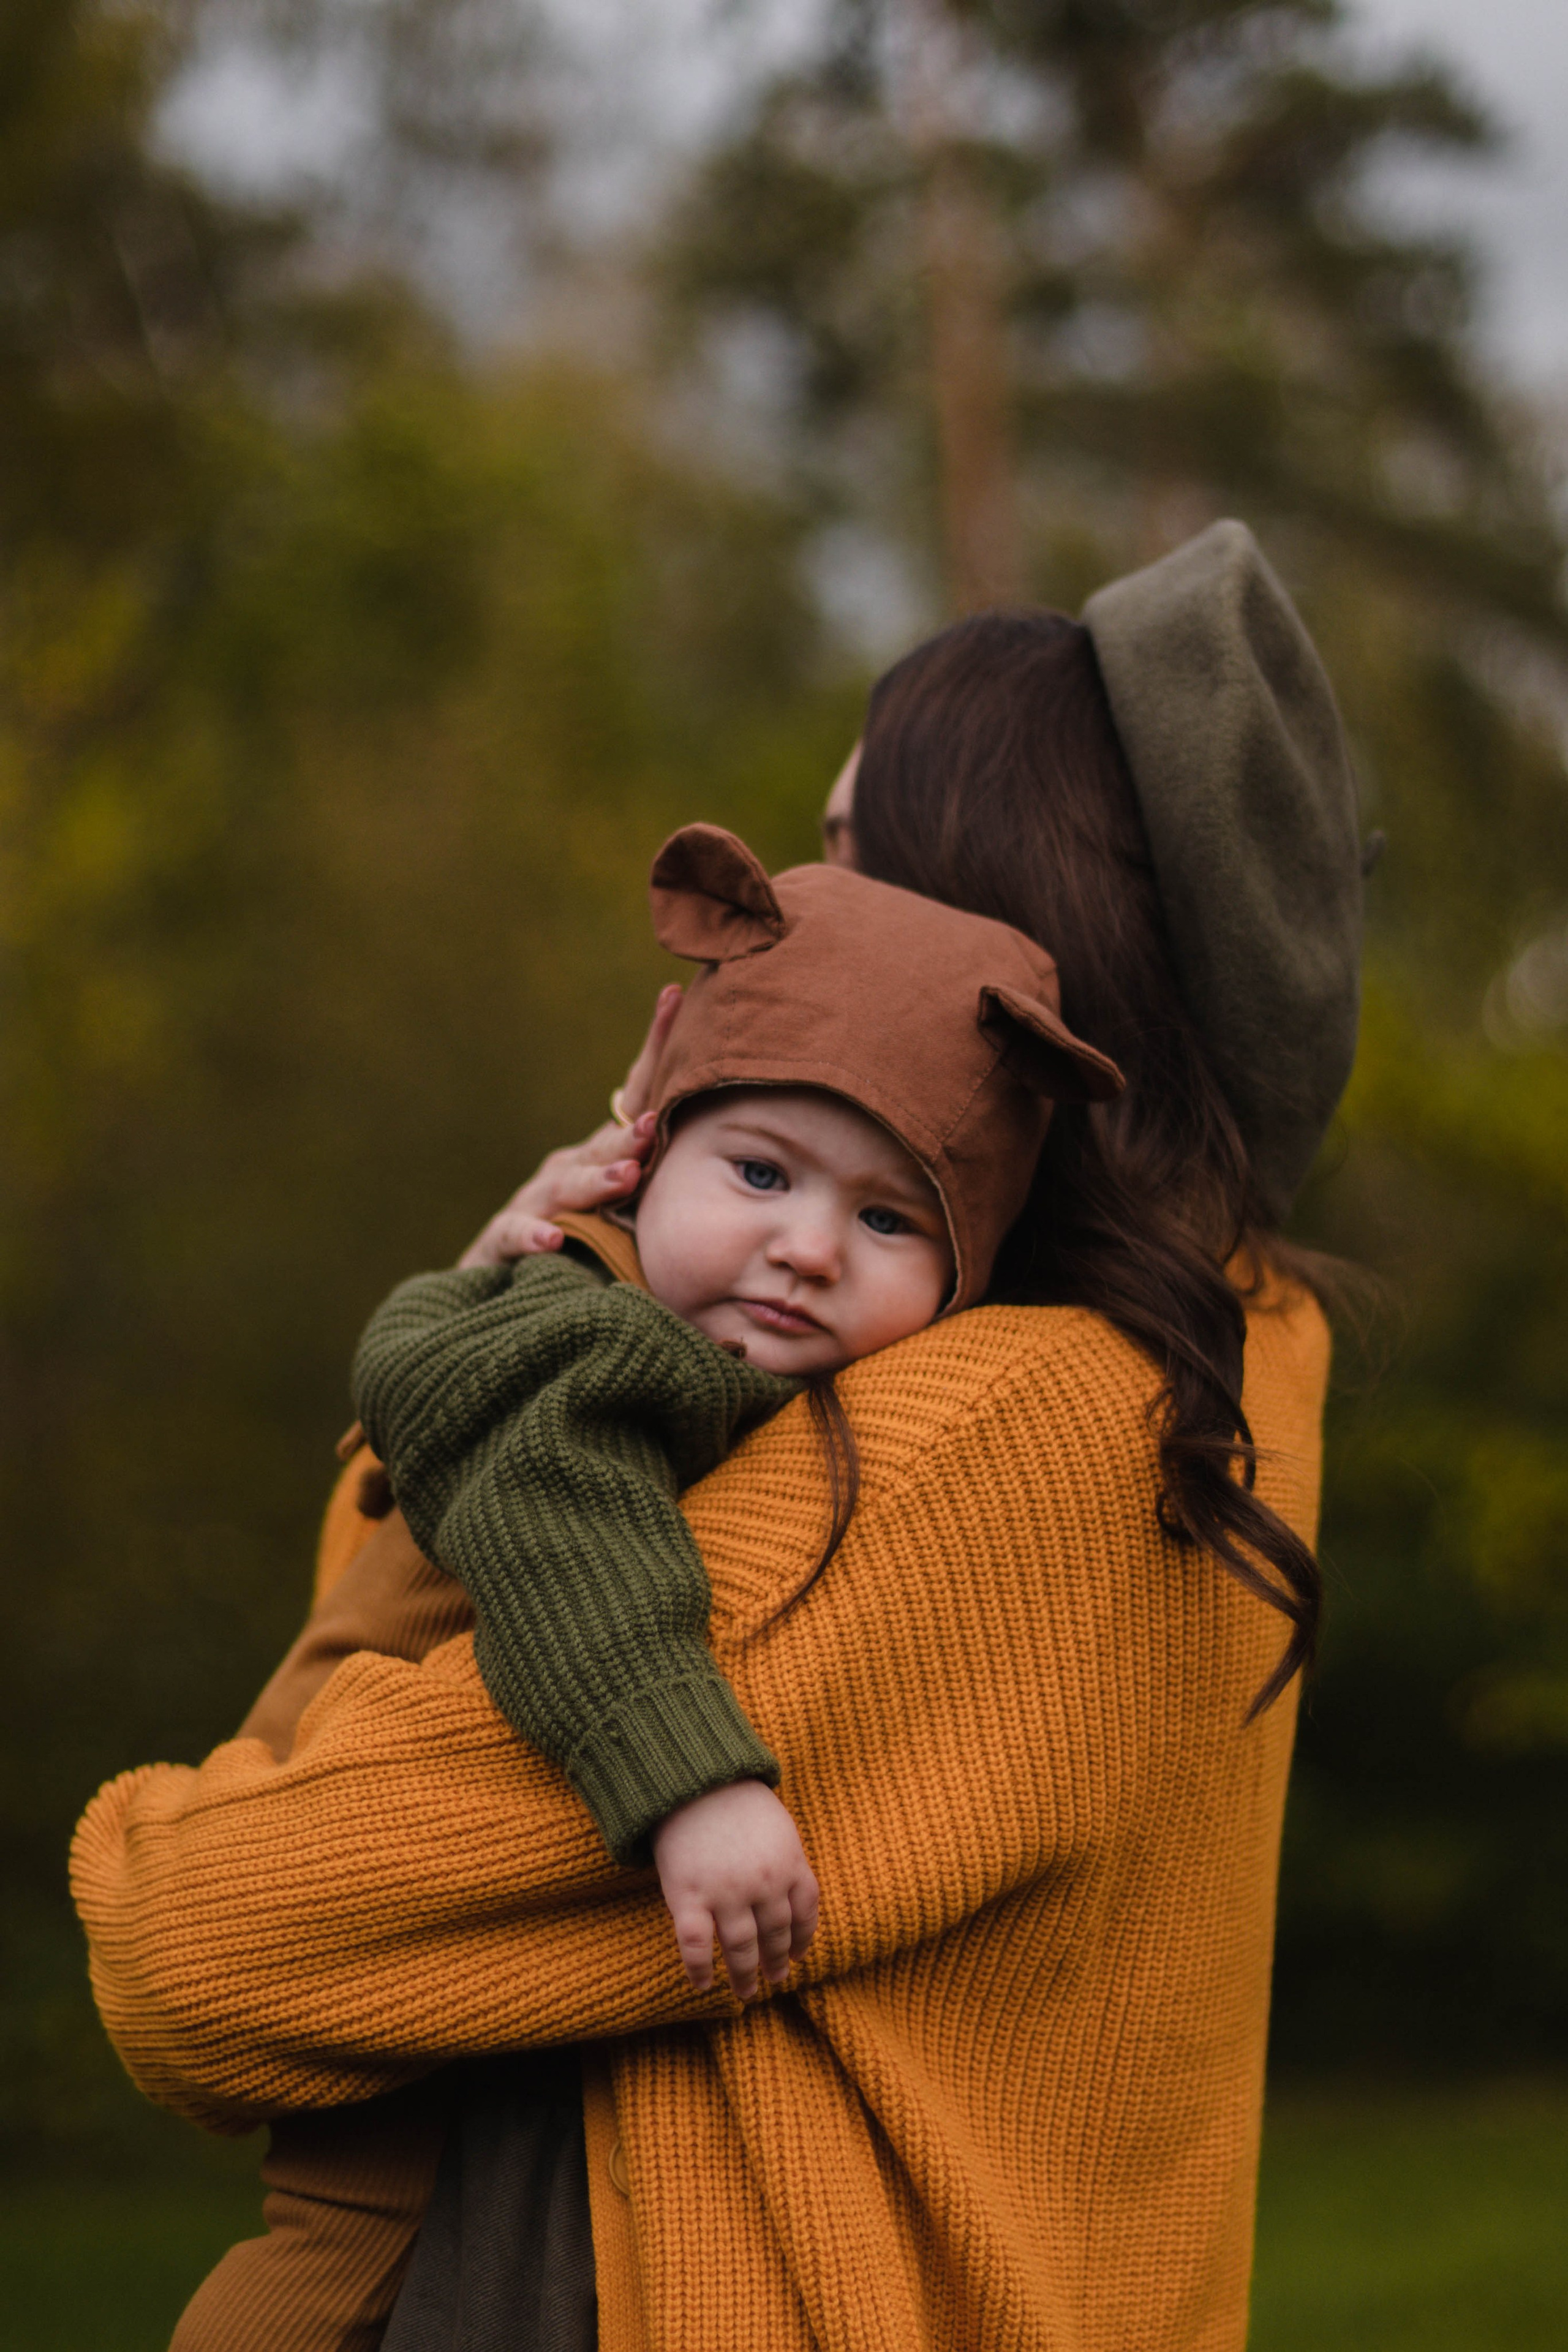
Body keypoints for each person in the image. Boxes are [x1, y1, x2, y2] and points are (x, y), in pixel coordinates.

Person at [72, 519, 1366, 2352]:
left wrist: (480, 1401)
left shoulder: (1008, 1433)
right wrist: (515, 1343)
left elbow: (202, 1953)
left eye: (846, 854)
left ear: (1000, 967)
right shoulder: (1234, 1351)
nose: (802, 925)